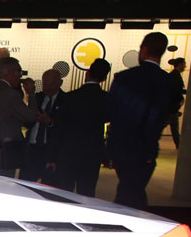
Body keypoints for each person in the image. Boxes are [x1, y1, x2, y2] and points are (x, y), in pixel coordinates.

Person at [106, 32, 179, 209]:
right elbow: (164, 114)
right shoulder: (167, 82)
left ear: (144, 50)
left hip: (121, 147)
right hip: (145, 149)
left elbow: (110, 112)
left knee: (129, 193)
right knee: (132, 193)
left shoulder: (123, 78)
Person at [45, 57, 110, 197]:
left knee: (64, 194)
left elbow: (58, 129)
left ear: (87, 73)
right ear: (104, 78)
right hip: (91, 154)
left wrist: (52, 157)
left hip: (67, 153)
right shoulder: (106, 99)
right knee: (86, 194)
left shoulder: (70, 97)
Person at [19, 69, 65, 183]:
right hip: (31, 150)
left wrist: (49, 122)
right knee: (25, 185)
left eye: (51, 84)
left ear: (60, 83)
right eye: (45, 84)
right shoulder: (37, 98)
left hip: (50, 152)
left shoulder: (66, 101)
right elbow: (27, 122)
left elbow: (65, 129)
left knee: (48, 188)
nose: (47, 88)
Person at [166, 57, 186, 148]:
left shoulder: (173, 75)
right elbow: (176, 91)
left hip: (171, 108)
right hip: (171, 108)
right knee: (174, 129)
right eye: (184, 64)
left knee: (174, 129)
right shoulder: (175, 76)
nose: (185, 66)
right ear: (180, 64)